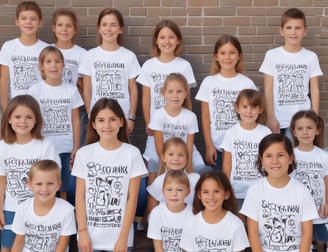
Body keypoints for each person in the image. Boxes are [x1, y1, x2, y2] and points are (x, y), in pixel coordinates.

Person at [72, 98, 148, 251]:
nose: (107, 125)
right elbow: (80, 196)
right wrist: (82, 231)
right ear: (93, 124)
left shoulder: (132, 153)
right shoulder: (84, 154)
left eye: (112, 119)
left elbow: (132, 198)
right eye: (101, 120)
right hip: (89, 238)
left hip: (119, 239)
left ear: (121, 122)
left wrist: (123, 238)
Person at [136, 19, 196, 180]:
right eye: (162, 37)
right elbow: (146, 97)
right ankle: (153, 202)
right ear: (156, 40)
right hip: (157, 127)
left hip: (179, 128)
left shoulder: (184, 66)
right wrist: (149, 123)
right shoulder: (149, 65)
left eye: (171, 37)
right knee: (154, 168)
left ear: (178, 41)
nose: (167, 41)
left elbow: (187, 97)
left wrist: (186, 120)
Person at [0, 95, 60, 252]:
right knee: (8, 246)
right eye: (18, 116)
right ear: (9, 119)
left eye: (29, 117)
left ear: (36, 120)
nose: (23, 121)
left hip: (39, 208)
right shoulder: (3, 146)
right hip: (12, 208)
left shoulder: (45, 145)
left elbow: (53, 179)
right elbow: (1, 181)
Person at [240, 133, 319, 251]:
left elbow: (307, 233)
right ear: (261, 159)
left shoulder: (302, 191)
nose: (275, 161)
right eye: (268, 156)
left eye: (280, 155)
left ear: (290, 158)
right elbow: (253, 233)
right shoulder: (255, 190)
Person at [28, 46, 84, 200]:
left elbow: (75, 119)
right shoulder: (35, 90)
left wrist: (76, 146)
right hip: (44, 147)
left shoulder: (71, 90)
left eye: (57, 61)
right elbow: (32, 119)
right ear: (41, 66)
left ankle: (64, 212)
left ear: (63, 65)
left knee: (63, 185)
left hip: (66, 147)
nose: (53, 65)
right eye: (49, 62)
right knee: (45, 184)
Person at [195, 34, 257, 170]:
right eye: (223, 53)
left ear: (239, 55)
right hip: (217, 145)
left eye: (232, 53)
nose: (227, 57)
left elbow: (255, 115)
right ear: (216, 56)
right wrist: (209, 145)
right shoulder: (209, 82)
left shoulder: (246, 83)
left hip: (240, 145)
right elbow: (205, 117)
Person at [259, 8, 323, 137]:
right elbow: (268, 90)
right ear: (281, 30)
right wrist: (270, 117)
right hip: (278, 119)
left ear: (305, 31)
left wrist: (314, 117)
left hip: (302, 120)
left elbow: (315, 90)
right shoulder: (272, 55)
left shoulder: (310, 57)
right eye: (289, 28)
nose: (293, 32)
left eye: (298, 28)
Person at [78, 8, 140, 134]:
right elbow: (87, 89)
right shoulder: (90, 55)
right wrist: (91, 115)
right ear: (99, 29)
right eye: (104, 25)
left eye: (113, 25)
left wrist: (131, 117)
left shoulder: (128, 56)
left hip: (122, 116)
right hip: (98, 118)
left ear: (120, 29)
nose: (108, 29)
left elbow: (133, 89)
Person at [221, 89, 271, 209]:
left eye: (253, 107)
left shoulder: (265, 132)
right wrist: (225, 186)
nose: (249, 111)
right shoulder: (231, 133)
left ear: (260, 110)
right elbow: (227, 163)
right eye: (245, 107)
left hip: (259, 190)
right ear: (237, 108)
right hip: (236, 191)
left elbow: (269, 161)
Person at [11, 159, 76, 252]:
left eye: (50, 183)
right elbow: (18, 242)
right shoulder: (23, 208)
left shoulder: (67, 210)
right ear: (29, 184)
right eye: (39, 184)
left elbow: (62, 245)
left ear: (58, 184)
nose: (44, 189)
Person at [149, 73, 206, 175]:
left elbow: (189, 145)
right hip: (166, 155)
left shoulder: (191, 116)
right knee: (152, 166)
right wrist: (167, 164)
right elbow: (159, 145)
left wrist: (187, 166)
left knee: (203, 172)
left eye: (179, 91)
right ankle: (151, 190)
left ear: (186, 93)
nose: (175, 96)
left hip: (185, 154)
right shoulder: (158, 115)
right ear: (163, 92)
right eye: (170, 91)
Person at [180, 170, 249, 251]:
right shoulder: (191, 223)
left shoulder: (236, 224)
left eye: (216, 191)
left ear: (226, 195)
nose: (211, 197)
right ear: (199, 195)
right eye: (206, 192)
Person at [290, 110, 328, 250]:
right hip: (298, 212)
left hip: (320, 210)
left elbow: (326, 182)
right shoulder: (290, 156)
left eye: (309, 128)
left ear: (317, 130)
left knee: (322, 240)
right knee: (304, 243)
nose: (305, 132)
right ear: (294, 132)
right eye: (300, 128)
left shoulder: (323, 156)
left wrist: (327, 203)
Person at [0, 1, 48, 111]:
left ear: (40, 22)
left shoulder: (45, 48)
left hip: (39, 105)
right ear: (17, 21)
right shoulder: (8, 47)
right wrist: (5, 107)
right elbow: (4, 79)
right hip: (15, 105)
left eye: (33, 19)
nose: (28, 22)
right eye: (23, 18)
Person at [51, 8, 88, 147]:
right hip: (51, 109)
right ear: (53, 28)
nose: (64, 29)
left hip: (75, 110)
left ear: (75, 29)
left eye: (69, 26)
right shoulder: (46, 50)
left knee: (74, 150)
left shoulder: (82, 54)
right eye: (60, 25)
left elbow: (84, 86)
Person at [147, 137, 200, 211]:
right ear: (163, 158)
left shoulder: (195, 179)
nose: (176, 158)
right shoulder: (159, 180)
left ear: (187, 158)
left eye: (181, 155)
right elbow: (151, 209)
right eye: (171, 154)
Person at [147, 170, 193, 252]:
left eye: (179, 190)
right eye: (169, 189)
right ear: (163, 191)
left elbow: (192, 246)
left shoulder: (193, 214)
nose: (174, 194)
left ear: (188, 192)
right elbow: (158, 247)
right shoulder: (157, 213)